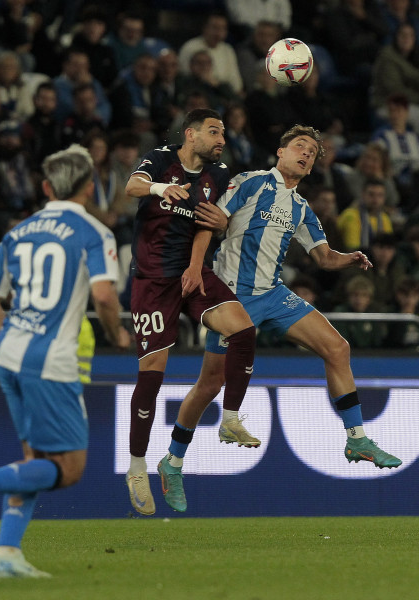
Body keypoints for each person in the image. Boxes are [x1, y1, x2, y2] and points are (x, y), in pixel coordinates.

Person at [0, 144, 130, 578]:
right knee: (69, 470)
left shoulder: (18, 231)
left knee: (33, 461)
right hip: (51, 361)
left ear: (46, 187)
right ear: (89, 187)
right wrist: (115, 333)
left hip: (9, 355)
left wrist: (10, 339)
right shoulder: (93, 232)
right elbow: (104, 295)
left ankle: (6, 553)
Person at [188, 125, 401, 499]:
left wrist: (348, 259)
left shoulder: (301, 207)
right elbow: (213, 219)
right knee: (209, 385)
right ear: (280, 152)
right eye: (299, 147)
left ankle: (357, 439)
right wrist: (202, 255)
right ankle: (173, 461)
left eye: (312, 153)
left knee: (338, 349)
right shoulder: (250, 182)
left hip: (273, 295)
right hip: (233, 298)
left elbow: (322, 257)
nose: (306, 154)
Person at [124, 108, 257, 516]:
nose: (221, 139)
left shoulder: (217, 176)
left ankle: (230, 417)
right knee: (153, 374)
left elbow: (204, 225)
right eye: (213, 131)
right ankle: (136, 466)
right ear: (191, 134)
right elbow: (132, 186)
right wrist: (160, 188)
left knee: (243, 330)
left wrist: (197, 266)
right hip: (152, 281)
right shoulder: (161, 158)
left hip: (191, 273)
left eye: (223, 132)